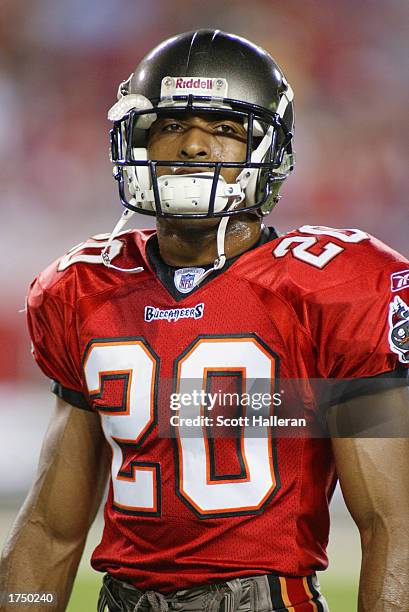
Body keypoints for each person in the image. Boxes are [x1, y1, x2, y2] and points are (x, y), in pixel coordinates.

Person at [1, 29, 409, 612]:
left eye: (223, 129)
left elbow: (394, 527)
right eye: (170, 126)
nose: (193, 146)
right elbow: (51, 530)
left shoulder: (336, 288)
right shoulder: (84, 289)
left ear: (268, 149)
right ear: (136, 141)